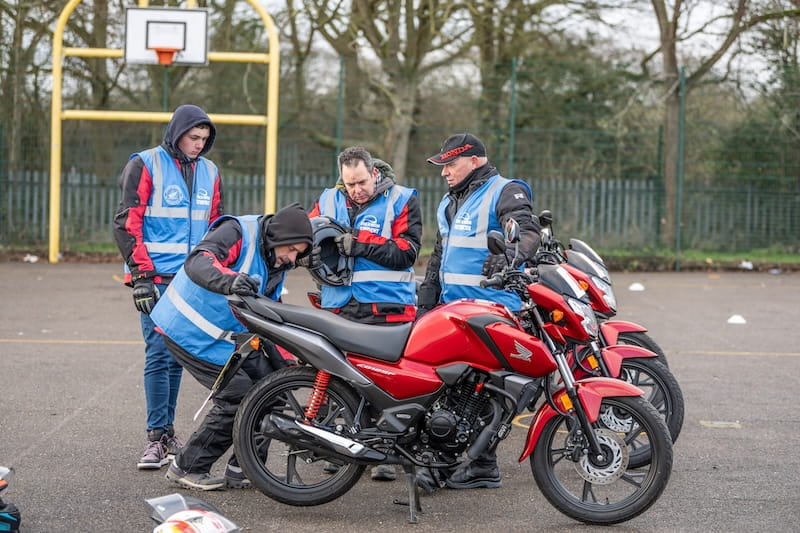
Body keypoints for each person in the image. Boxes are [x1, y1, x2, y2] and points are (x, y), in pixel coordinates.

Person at [150, 202, 313, 490]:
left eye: (298, 254)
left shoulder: (276, 263)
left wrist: (288, 361)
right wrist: (230, 281)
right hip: (187, 330)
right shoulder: (238, 231)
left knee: (272, 391)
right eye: (291, 250)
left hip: (225, 339)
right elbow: (198, 261)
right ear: (278, 238)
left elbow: (270, 313)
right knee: (237, 398)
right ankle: (187, 467)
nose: (291, 259)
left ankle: (246, 467)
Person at [417, 133, 540, 490]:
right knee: (455, 387)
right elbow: (439, 257)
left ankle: (464, 464)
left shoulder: (504, 191)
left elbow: (525, 231)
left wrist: (510, 255)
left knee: (477, 389)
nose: (444, 173)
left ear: (474, 161)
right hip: (454, 311)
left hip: (491, 309)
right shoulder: (449, 203)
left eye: (450, 164)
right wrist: (427, 300)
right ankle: (466, 463)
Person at [113, 104, 224, 470]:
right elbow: (127, 222)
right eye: (194, 137)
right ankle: (156, 438)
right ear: (176, 132)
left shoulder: (210, 171)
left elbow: (215, 228)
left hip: (192, 280)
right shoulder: (145, 164)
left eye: (204, 140)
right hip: (156, 279)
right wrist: (141, 276)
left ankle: (167, 433)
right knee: (159, 354)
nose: (198, 145)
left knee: (177, 355)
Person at [305, 146, 422, 481]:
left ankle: (386, 453)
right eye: (349, 184)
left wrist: (359, 243)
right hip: (339, 305)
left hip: (386, 307)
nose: (356, 190)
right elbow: (307, 238)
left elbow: (407, 253)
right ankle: (341, 447)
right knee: (338, 381)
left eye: (361, 182)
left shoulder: (402, 199)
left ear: (374, 173)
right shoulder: (328, 199)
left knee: (384, 384)